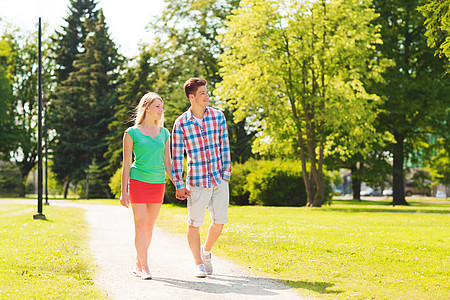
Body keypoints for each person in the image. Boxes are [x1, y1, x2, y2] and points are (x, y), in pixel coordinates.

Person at [172, 77, 232, 278]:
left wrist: (226, 175)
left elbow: (225, 147)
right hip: (196, 182)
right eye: (202, 93)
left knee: (220, 221)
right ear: (192, 97)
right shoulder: (181, 123)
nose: (207, 96)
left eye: (207, 92)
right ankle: (198, 263)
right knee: (194, 223)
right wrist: (179, 184)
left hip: (218, 179)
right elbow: (177, 156)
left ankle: (206, 252)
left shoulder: (218, 116)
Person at [120, 92, 173, 280]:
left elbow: (168, 163)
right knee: (140, 225)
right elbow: (126, 164)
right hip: (138, 183)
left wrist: (179, 184)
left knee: (150, 226)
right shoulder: (131, 133)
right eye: (157, 106)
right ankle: (145, 266)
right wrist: (123, 192)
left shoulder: (165, 133)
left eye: (161, 106)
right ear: (147, 107)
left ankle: (137, 262)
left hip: (157, 184)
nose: (161, 110)